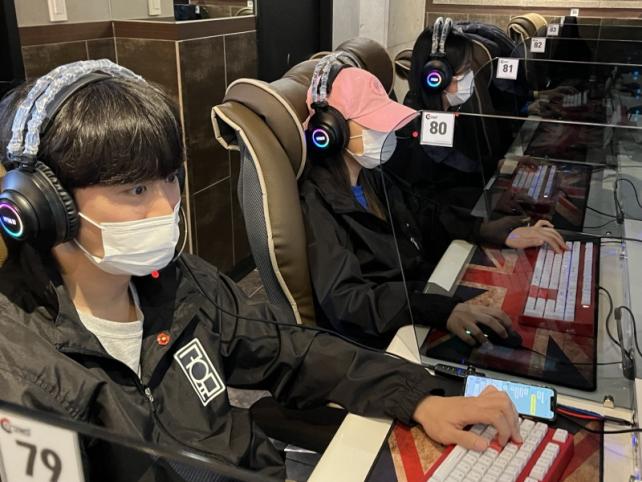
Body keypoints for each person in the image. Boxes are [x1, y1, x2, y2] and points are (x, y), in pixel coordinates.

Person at [0, 60, 522, 481]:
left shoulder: (179, 283)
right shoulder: (19, 379)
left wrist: (418, 395)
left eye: (171, 179)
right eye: (135, 190)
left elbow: (289, 349)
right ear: (44, 207)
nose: (167, 207)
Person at [300, 65, 566, 350]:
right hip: (388, 337)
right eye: (373, 124)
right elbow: (348, 301)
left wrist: (488, 231)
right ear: (329, 131)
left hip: (419, 299)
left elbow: (425, 214)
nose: (386, 131)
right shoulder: (317, 202)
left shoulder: (371, 177)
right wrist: (437, 310)